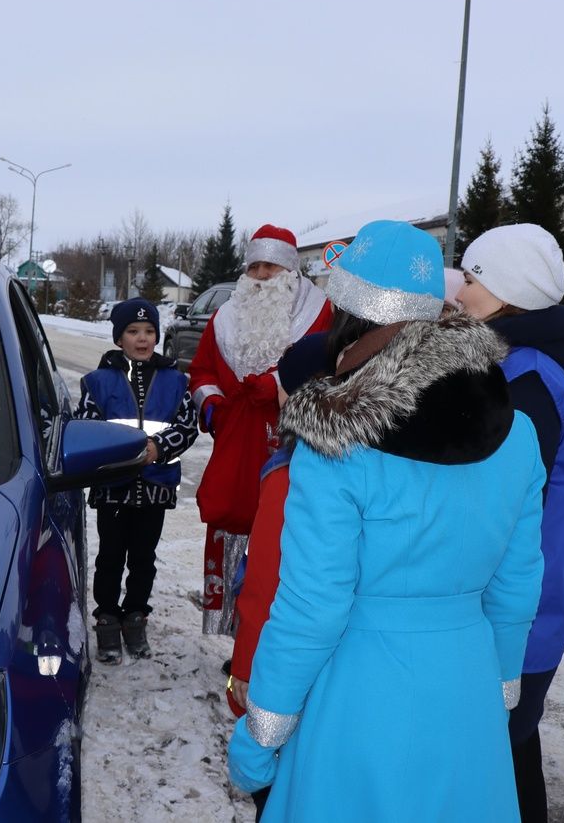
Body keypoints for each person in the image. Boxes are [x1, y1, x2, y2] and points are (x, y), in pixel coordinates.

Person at [227, 220, 546, 821]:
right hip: (466, 694)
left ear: (344, 312)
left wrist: (261, 733)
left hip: (358, 699)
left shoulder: (336, 441)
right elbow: (517, 581)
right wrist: (502, 685)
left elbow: (312, 607)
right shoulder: (518, 433)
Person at [457, 223, 564, 823]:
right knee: (511, 750)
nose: (459, 292)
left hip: (521, 606)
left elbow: (497, 505)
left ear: (508, 291)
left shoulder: (528, 379)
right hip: (513, 599)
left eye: (471, 278)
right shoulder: (516, 361)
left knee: (496, 753)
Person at [188, 223, 332, 635]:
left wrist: (280, 384)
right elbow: (201, 372)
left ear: (289, 270)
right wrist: (213, 406)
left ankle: (270, 635)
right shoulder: (223, 317)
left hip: (292, 446)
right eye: (255, 267)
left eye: (271, 266)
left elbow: (330, 371)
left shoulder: (321, 312)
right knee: (232, 526)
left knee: (280, 544)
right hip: (236, 442)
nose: (262, 276)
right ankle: (236, 631)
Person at [223, 331, 332, 821]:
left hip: (287, 659)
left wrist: (244, 668)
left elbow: (265, 583)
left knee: (285, 788)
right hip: (348, 670)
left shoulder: (289, 472)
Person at [74, 298, 199, 664]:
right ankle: (108, 618)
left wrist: (159, 447)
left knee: (144, 558)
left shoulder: (177, 380)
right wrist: (125, 450)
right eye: (133, 332)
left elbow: (187, 426)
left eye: (149, 332)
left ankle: (136, 615)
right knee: (111, 556)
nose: (142, 339)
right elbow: (88, 424)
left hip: (156, 487)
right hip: (114, 488)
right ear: (119, 338)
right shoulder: (98, 382)